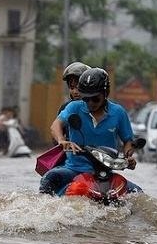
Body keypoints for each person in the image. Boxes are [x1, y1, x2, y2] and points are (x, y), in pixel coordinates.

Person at [38, 67, 142, 195]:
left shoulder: (118, 112)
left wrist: (128, 156)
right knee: (50, 178)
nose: (90, 103)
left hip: (106, 172)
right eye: (86, 98)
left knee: (138, 193)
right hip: (74, 169)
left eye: (95, 98)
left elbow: (128, 141)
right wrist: (62, 141)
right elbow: (55, 125)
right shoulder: (74, 107)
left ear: (105, 93)